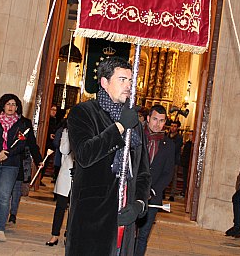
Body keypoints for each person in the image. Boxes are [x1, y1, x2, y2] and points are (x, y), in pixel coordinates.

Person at [66, 56, 151, 255]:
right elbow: (85, 154)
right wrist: (120, 127)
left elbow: (143, 171)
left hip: (126, 213)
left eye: (131, 80)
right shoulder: (83, 113)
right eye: (122, 79)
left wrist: (139, 204)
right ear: (104, 82)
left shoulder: (135, 122)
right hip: (93, 215)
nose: (129, 85)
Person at [0, 93, 32, 242]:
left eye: (13, 105)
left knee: (5, 196)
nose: (11, 107)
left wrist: (7, 153)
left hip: (11, 164)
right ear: (2, 106)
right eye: (8, 104)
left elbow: (22, 144)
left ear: (17, 107)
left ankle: (0, 228)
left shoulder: (22, 124)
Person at [134, 105, 175, 256]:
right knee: (128, 232)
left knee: (143, 235)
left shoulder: (169, 145)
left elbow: (168, 173)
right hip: (133, 192)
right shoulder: (136, 137)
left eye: (162, 121)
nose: (157, 124)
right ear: (148, 118)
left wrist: (152, 190)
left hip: (153, 197)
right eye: (155, 119)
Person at [46, 118, 72, 246]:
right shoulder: (66, 132)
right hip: (67, 172)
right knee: (60, 207)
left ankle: (70, 235)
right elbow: (64, 150)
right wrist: (68, 133)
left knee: (74, 208)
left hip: (81, 174)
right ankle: (55, 235)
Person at [166, 119, 183, 201]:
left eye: (175, 126)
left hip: (174, 159)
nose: (173, 128)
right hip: (166, 159)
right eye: (172, 126)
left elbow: (175, 148)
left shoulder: (179, 137)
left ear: (177, 128)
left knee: (174, 177)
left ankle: (172, 194)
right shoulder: (167, 135)